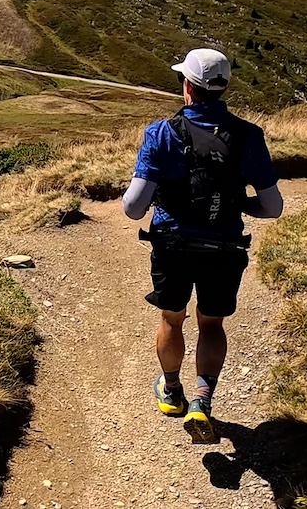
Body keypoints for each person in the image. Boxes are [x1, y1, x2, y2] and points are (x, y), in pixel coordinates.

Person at [122, 48, 284, 445]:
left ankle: (171, 391)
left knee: (172, 319)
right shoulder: (249, 135)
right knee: (211, 323)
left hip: (173, 245)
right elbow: (272, 207)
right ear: (223, 87)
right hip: (225, 248)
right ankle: (202, 400)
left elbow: (133, 208)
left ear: (188, 87)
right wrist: (236, 204)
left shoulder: (162, 133)